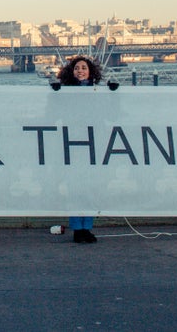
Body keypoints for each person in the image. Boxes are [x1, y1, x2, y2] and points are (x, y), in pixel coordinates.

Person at [54, 55, 111, 243]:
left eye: (84, 68)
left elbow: (110, 112)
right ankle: (78, 228)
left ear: (90, 71)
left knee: (90, 185)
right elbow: (54, 112)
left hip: (93, 140)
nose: (80, 71)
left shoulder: (98, 92)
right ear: (71, 71)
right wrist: (54, 93)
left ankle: (87, 226)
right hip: (73, 140)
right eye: (77, 68)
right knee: (75, 185)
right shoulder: (64, 92)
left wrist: (113, 93)